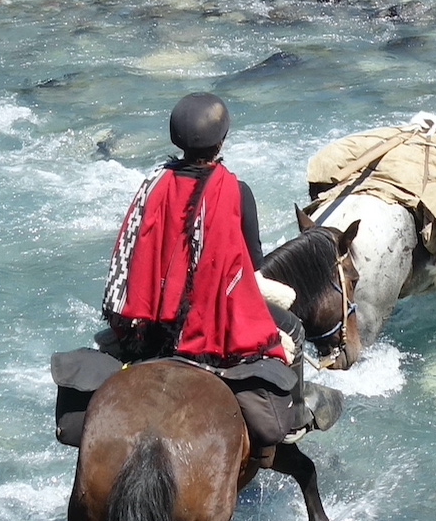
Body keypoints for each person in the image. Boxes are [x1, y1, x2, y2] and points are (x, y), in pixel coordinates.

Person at [55, 93, 339, 455]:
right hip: (209, 320)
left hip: (154, 317)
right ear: (221, 141)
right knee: (294, 331)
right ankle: (294, 420)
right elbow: (249, 267)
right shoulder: (236, 191)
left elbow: (136, 251)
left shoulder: (152, 184)